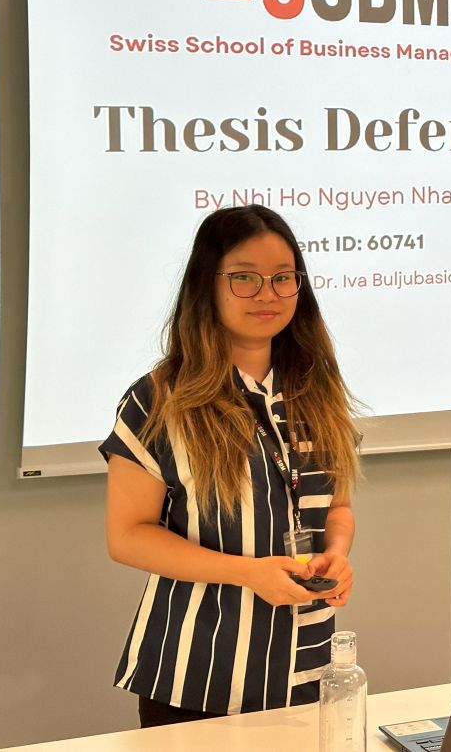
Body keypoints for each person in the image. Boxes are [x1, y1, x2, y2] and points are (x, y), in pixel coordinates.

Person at [99, 204, 361, 728]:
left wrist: (336, 555)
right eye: (245, 278)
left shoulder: (316, 389)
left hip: (309, 668)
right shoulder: (160, 399)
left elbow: (337, 507)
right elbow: (127, 536)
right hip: (199, 674)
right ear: (207, 286)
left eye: (283, 277)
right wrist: (248, 574)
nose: (268, 294)